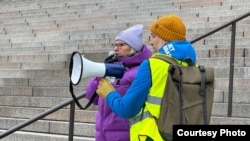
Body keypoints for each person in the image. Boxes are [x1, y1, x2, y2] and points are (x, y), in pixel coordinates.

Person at [96, 14, 197, 141]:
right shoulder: (193, 65)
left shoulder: (152, 65)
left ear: (165, 39)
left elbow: (126, 109)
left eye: (154, 36)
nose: (150, 41)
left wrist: (109, 93)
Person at [85, 24, 152, 141]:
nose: (116, 49)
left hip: (124, 133)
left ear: (133, 48)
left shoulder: (141, 71)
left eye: (121, 45)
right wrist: (100, 74)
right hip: (102, 132)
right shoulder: (113, 69)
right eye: (115, 45)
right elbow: (92, 97)